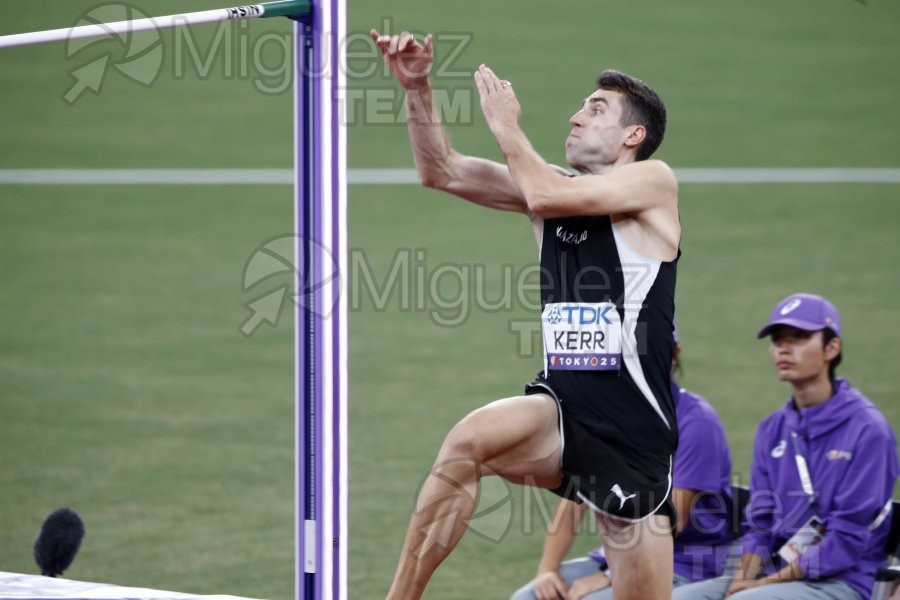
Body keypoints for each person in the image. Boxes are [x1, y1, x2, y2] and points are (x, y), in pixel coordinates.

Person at [371, 29, 680, 600]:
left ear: (633, 136)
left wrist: (507, 126)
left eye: (596, 110)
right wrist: (417, 89)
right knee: (467, 442)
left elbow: (543, 196)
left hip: (633, 441)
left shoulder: (654, 183)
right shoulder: (552, 189)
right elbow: (441, 170)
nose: (576, 117)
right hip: (563, 410)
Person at [673, 293, 899, 600]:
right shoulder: (772, 428)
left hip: (841, 581)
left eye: (800, 337)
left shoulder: (868, 431)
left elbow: (846, 539)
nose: (784, 348)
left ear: (831, 348)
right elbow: (759, 524)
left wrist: (762, 586)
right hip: (775, 577)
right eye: (778, 339)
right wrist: (740, 581)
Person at [510, 340, 735, 600]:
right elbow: (574, 501)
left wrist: (609, 577)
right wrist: (547, 570)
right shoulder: (609, 418)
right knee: (528, 597)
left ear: (673, 354)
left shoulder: (697, 422)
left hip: (683, 565)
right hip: (613, 558)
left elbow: (672, 520)